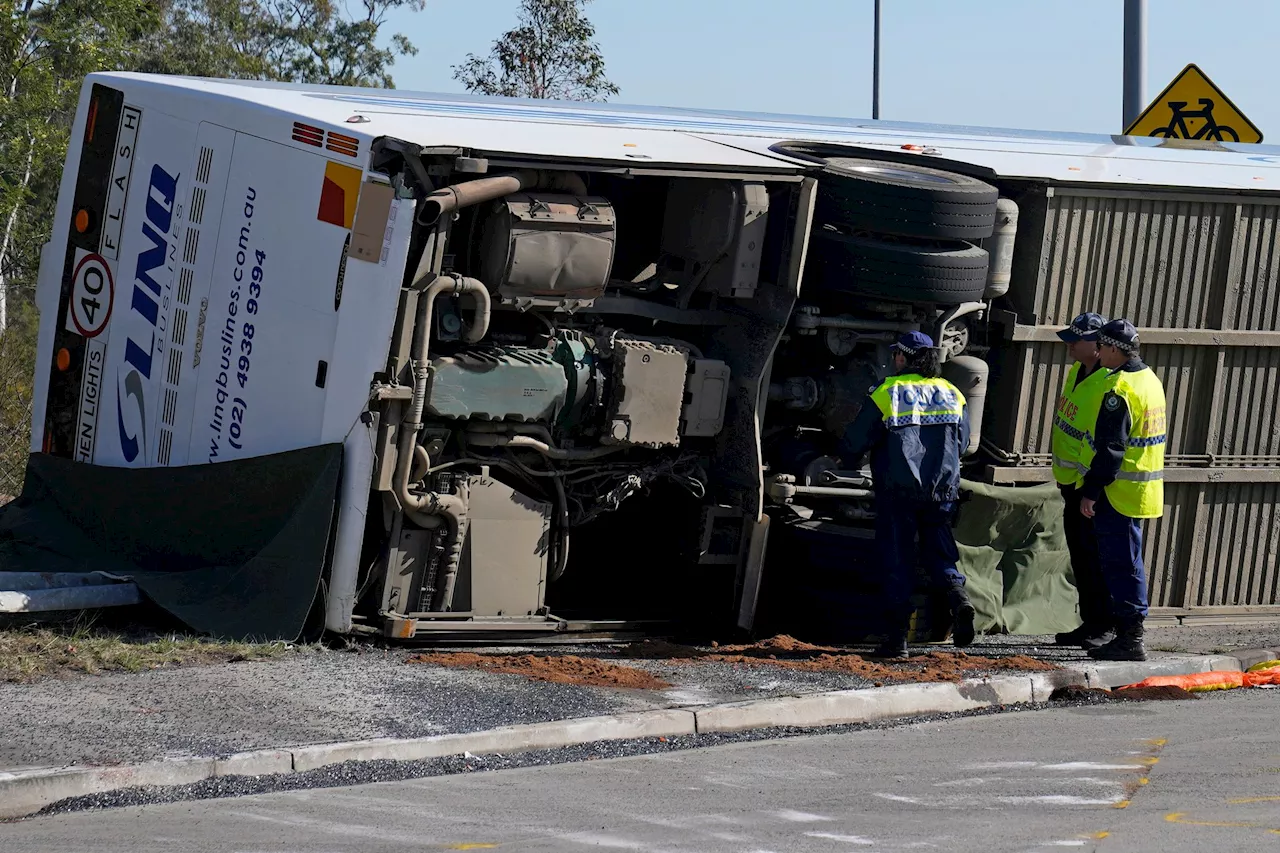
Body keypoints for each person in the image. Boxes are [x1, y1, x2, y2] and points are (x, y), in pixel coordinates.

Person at [838, 330, 974, 659]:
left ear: (902, 357)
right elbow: (964, 442)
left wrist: (845, 458)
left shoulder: (889, 392)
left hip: (899, 492)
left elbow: (856, 441)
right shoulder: (952, 393)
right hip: (942, 490)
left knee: (897, 561)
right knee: (940, 554)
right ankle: (958, 596)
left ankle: (896, 641)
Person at [1076, 319, 1166, 662]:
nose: (1098, 353)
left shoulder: (1121, 390)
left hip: (1119, 492)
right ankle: (1127, 634)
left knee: (1123, 565)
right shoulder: (1149, 380)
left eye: (1102, 347)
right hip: (1140, 489)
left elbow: (1112, 448)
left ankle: (1131, 638)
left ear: (1114, 349)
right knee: (1128, 562)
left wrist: (1091, 490)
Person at [1049, 312, 1115, 650]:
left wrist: (1091, 486)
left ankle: (1105, 626)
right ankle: (1091, 622)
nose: (1070, 345)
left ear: (1099, 344)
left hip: (1092, 486)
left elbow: (1108, 442)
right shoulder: (1078, 371)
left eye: (1077, 340)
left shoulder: (1108, 382)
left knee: (1098, 558)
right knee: (1082, 557)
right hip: (1071, 482)